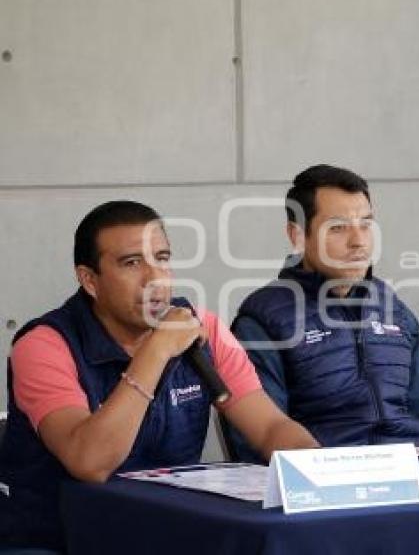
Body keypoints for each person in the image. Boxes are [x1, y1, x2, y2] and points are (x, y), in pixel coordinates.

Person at [0, 201, 318, 553]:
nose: (154, 278)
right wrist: (155, 351)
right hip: (59, 539)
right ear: (90, 280)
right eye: (132, 263)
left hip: (166, 532)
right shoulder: (43, 345)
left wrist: (318, 470)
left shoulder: (203, 328)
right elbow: (89, 462)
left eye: (162, 259)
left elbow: (270, 427)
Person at [226, 164, 419, 461]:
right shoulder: (263, 320)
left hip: (412, 478)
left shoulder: (394, 309)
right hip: (326, 489)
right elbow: (256, 445)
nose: (359, 241)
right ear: (297, 235)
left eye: (366, 224)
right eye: (338, 227)